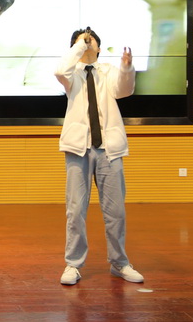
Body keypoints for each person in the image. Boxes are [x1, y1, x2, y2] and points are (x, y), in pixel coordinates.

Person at [54, 28, 144, 285]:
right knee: (75, 210)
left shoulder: (108, 71)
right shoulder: (72, 73)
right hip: (78, 148)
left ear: (100, 47)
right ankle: (73, 264)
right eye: (81, 41)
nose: (86, 42)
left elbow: (124, 90)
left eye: (90, 39)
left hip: (109, 149)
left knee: (116, 211)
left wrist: (126, 67)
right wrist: (80, 46)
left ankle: (120, 263)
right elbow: (60, 71)